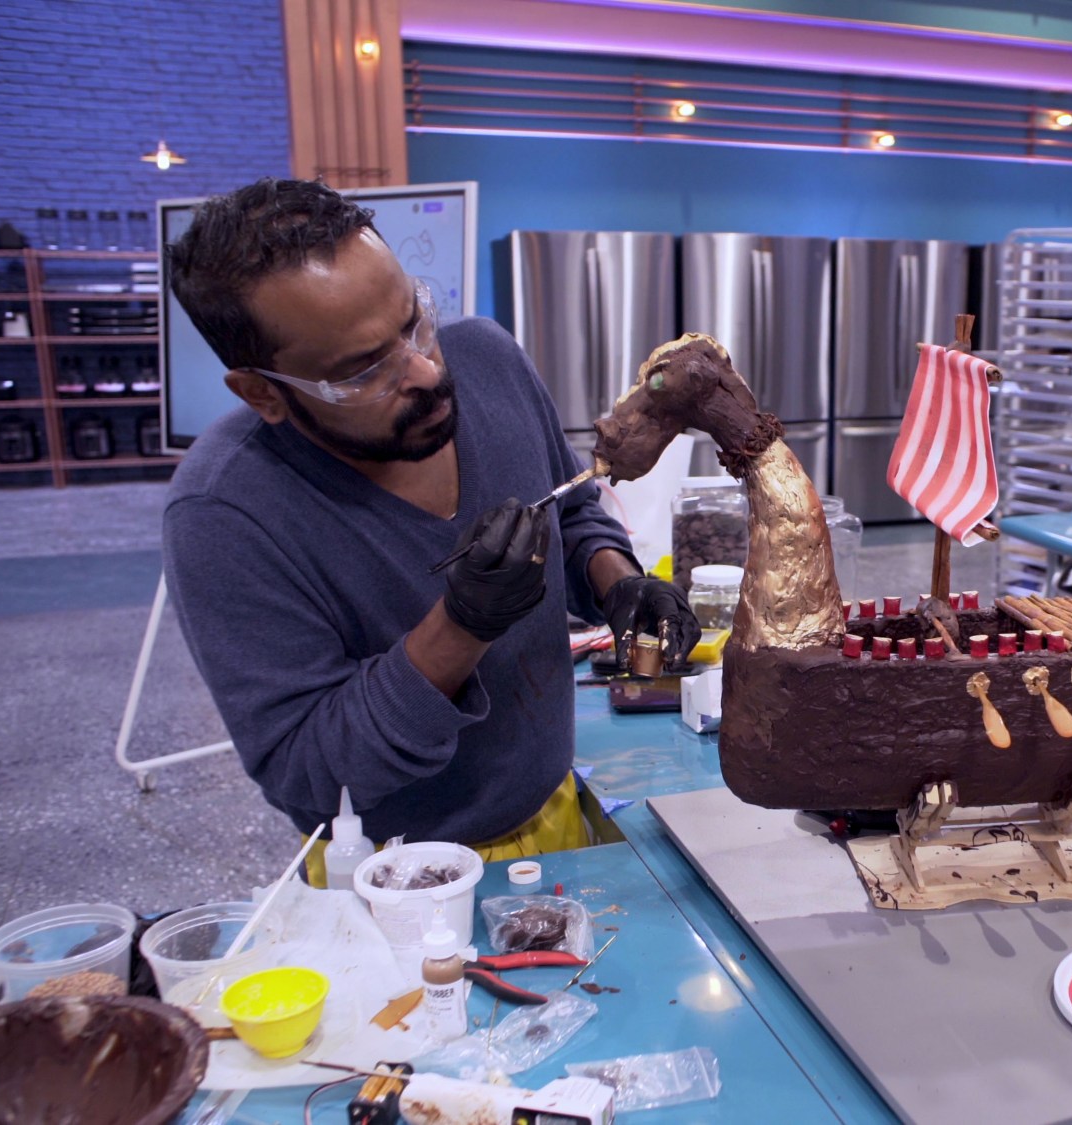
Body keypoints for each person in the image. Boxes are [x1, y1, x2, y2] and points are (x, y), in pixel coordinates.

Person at [162, 179, 698, 881]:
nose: (424, 370)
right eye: (364, 370)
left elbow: (569, 510)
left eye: (414, 321)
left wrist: (617, 580)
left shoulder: (489, 360)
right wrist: (461, 627)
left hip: (553, 807)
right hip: (395, 877)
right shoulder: (225, 513)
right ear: (263, 392)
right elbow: (307, 773)